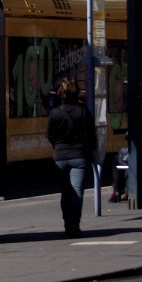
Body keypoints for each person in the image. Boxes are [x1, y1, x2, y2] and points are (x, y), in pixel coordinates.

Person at [47, 77, 97, 238]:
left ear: (61, 94)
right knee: (77, 191)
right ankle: (74, 223)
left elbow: (50, 135)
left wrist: (58, 147)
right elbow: (91, 135)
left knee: (65, 192)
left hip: (60, 157)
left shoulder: (55, 113)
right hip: (79, 156)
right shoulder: (83, 111)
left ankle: (67, 222)